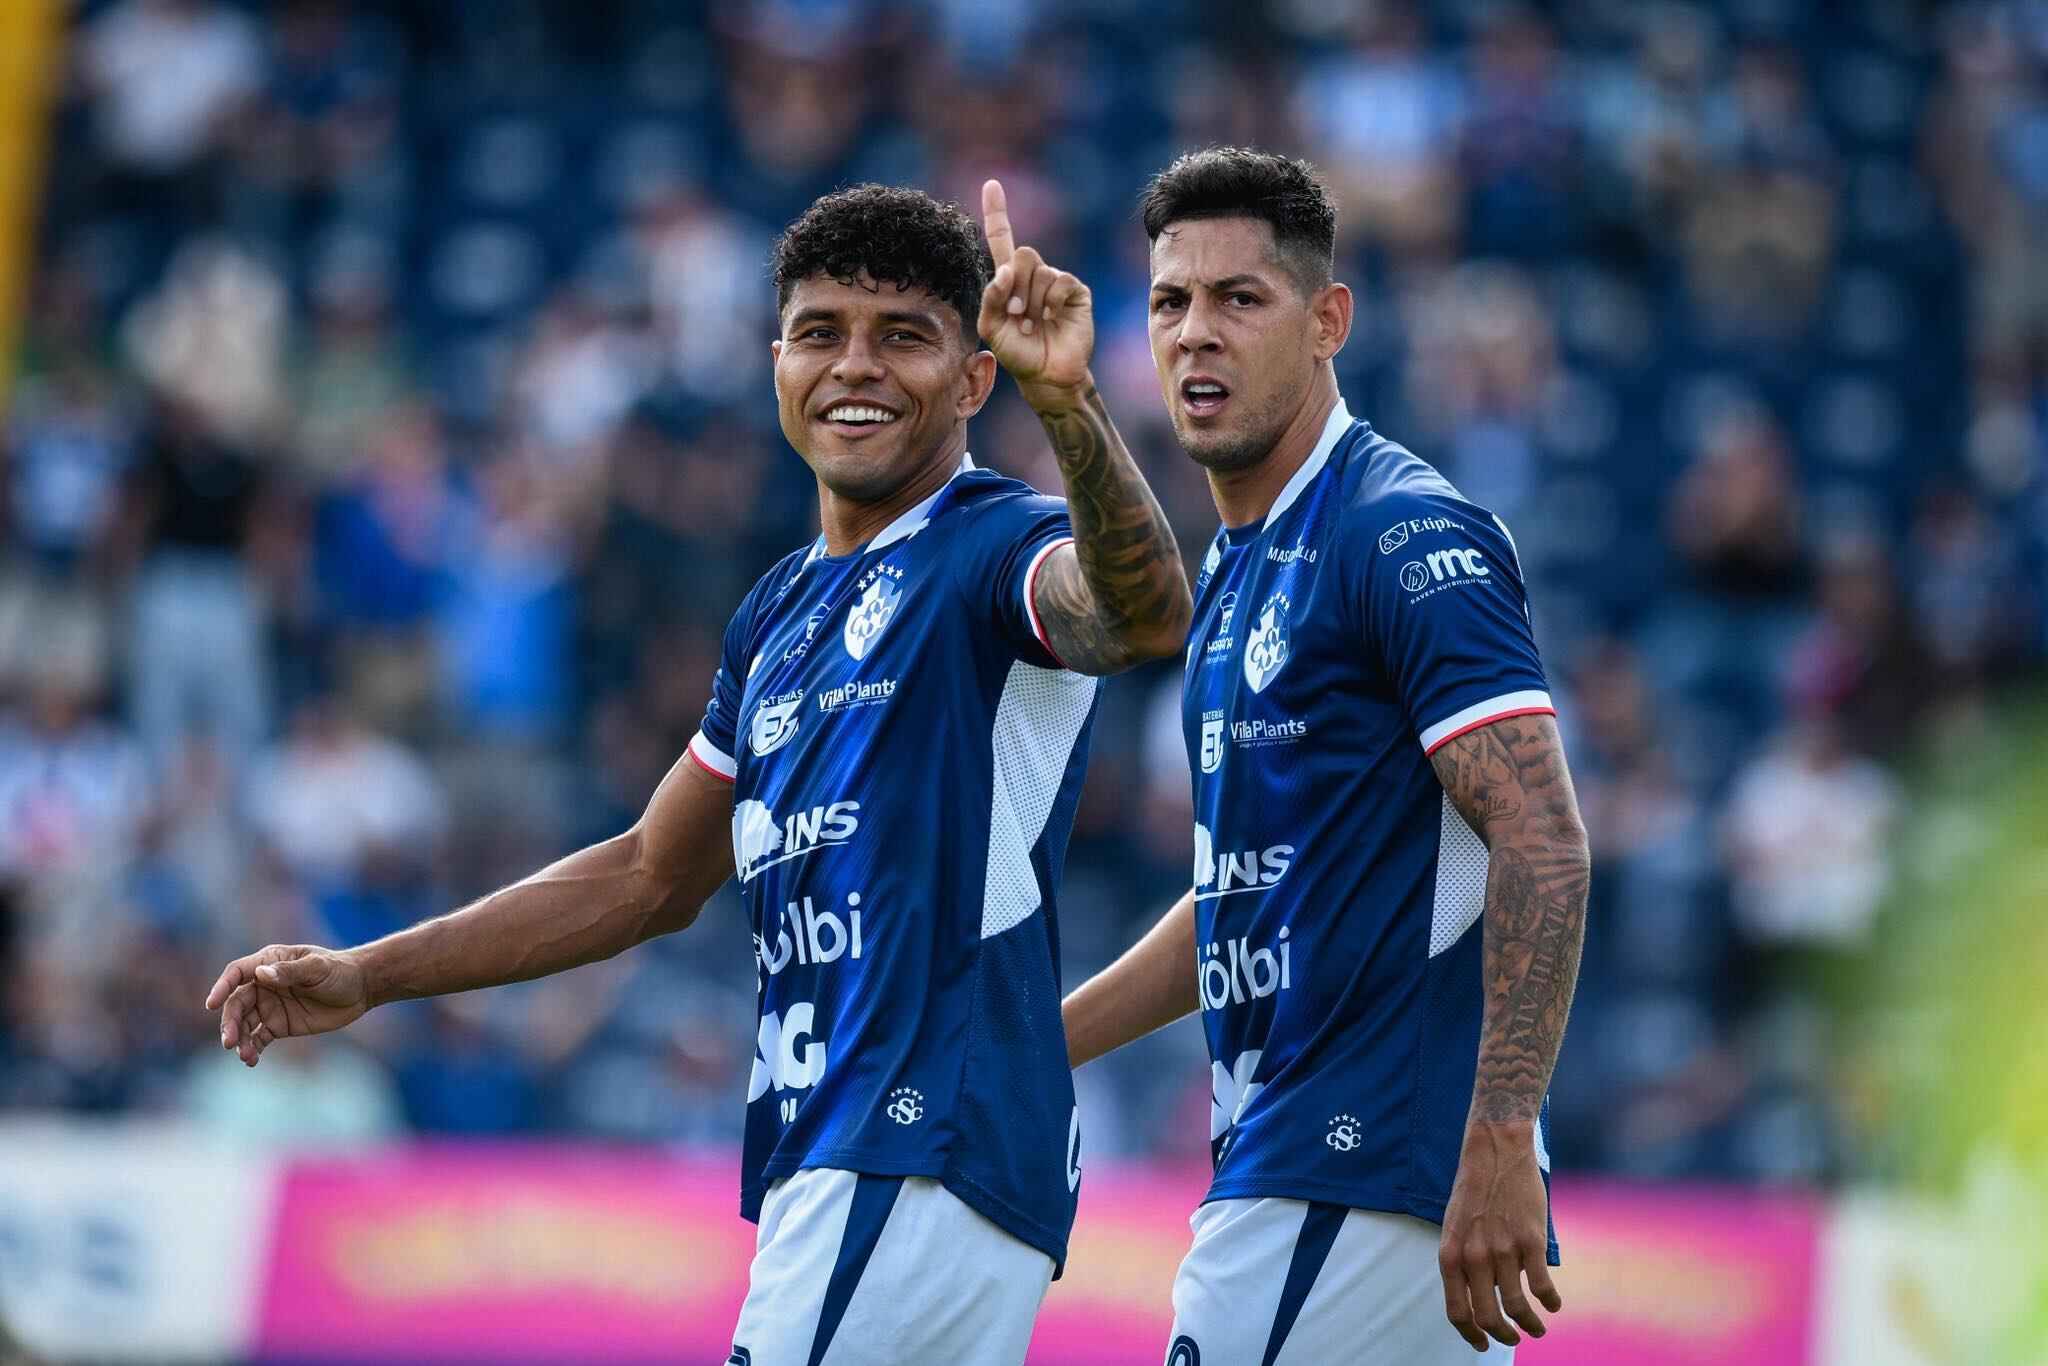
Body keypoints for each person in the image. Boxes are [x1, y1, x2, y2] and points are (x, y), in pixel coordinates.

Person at [207, 180, 1190, 1366]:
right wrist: (370, 973)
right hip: (845, 1154)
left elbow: (1140, 612)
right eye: (820, 332)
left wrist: (1069, 402)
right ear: (777, 365)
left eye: (902, 336)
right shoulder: (776, 613)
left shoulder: (993, 540)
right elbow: (644, 875)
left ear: (975, 379)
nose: (855, 365)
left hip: (918, 1138)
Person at [1061, 148, 1590, 1362]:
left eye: (1238, 299)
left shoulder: (1399, 531)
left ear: (1326, 322)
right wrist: (1043, 1046)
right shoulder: (1234, 565)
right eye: (1169, 302)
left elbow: (1544, 838)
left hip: (1359, 1165)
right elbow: (1241, 898)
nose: (1195, 333)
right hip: (1317, 1164)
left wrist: (1500, 1135)